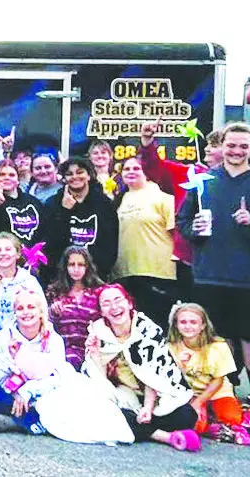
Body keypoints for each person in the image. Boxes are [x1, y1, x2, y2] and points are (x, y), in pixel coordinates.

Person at [177, 122, 250, 391]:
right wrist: (193, 229)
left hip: (245, 278)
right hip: (209, 274)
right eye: (231, 145)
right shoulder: (203, 182)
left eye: (244, 146)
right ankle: (223, 395)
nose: (237, 151)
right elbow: (182, 221)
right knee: (216, 341)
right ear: (222, 146)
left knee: (247, 339)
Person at [84, 284, 201, 451]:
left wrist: (148, 407)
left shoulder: (147, 330)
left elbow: (153, 374)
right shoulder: (99, 332)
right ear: (101, 311)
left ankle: (140, 429)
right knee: (102, 411)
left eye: (118, 300)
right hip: (124, 395)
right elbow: (100, 382)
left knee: (187, 416)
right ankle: (166, 437)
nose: (114, 307)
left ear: (129, 303)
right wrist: (95, 354)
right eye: (106, 303)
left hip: (153, 396)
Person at [0, 289, 69, 435]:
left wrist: (27, 391)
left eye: (31, 307)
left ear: (41, 311)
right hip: (11, 394)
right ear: (14, 313)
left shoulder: (54, 339)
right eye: (20, 308)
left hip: (42, 395)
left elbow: (58, 379)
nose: (26, 312)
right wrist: (10, 358)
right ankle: (37, 422)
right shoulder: (1, 337)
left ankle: (18, 422)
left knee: (64, 397)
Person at [167, 303, 249, 444]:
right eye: (183, 322)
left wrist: (199, 402)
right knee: (196, 426)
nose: (188, 326)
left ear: (203, 325)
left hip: (216, 390)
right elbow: (172, 379)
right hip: (189, 392)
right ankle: (211, 421)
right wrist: (181, 367)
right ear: (176, 325)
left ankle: (232, 412)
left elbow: (218, 380)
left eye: (193, 322)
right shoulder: (170, 347)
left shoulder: (218, 346)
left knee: (231, 418)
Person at [111, 156, 177, 328]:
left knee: (157, 326)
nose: (131, 172)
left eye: (136, 168)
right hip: (124, 273)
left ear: (146, 172)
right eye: (126, 169)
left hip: (157, 273)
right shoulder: (119, 201)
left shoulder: (164, 198)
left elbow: (177, 234)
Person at [45, 157, 119, 279]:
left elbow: (111, 245)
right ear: (64, 179)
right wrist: (64, 212)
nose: (75, 177)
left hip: (96, 275)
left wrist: (98, 271)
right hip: (63, 276)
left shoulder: (105, 204)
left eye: (80, 172)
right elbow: (52, 245)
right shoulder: (53, 204)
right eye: (69, 174)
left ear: (89, 175)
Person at [0, 233, 42, 354]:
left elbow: (42, 314)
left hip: (26, 346)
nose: (3, 253)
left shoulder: (29, 281)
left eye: (8, 249)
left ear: (17, 254)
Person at [45, 246, 105, 370]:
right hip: (63, 353)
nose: (76, 269)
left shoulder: (99, 292)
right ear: (65, 267)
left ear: (87, 266)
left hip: (93, 351)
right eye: (72, 264)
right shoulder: (54, 292)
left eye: (81, 265)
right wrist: (52, 312)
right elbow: (45, 325)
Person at [0, 159, 47, 251]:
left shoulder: (33, 202)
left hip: (32, 258)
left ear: (18, 180)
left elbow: (43, 232)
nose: (7, 178)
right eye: (2, 175)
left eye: (12, 175)